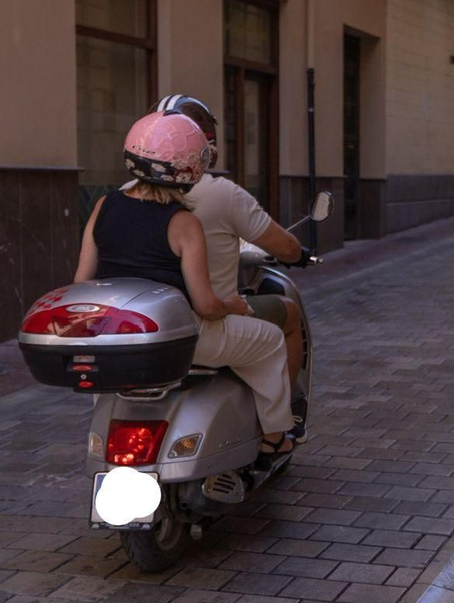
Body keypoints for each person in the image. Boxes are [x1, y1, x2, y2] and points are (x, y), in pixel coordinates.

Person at [73, 111, 295, 461]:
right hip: (177, 342)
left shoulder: (103, 206)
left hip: (117, 339)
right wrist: (233, 305)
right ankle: (275, 437)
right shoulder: (183, 223)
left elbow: (81, 284)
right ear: (191, 167)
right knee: (270, 342)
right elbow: (206, 306)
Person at [152, 95, 310, 439]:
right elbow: (284, 246)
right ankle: (277, 428)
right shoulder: (218, 193)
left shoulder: (124, 196)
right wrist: (298, 254)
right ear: (206, 145)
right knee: (288, 314)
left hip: (148, 329)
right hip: (206, 325)